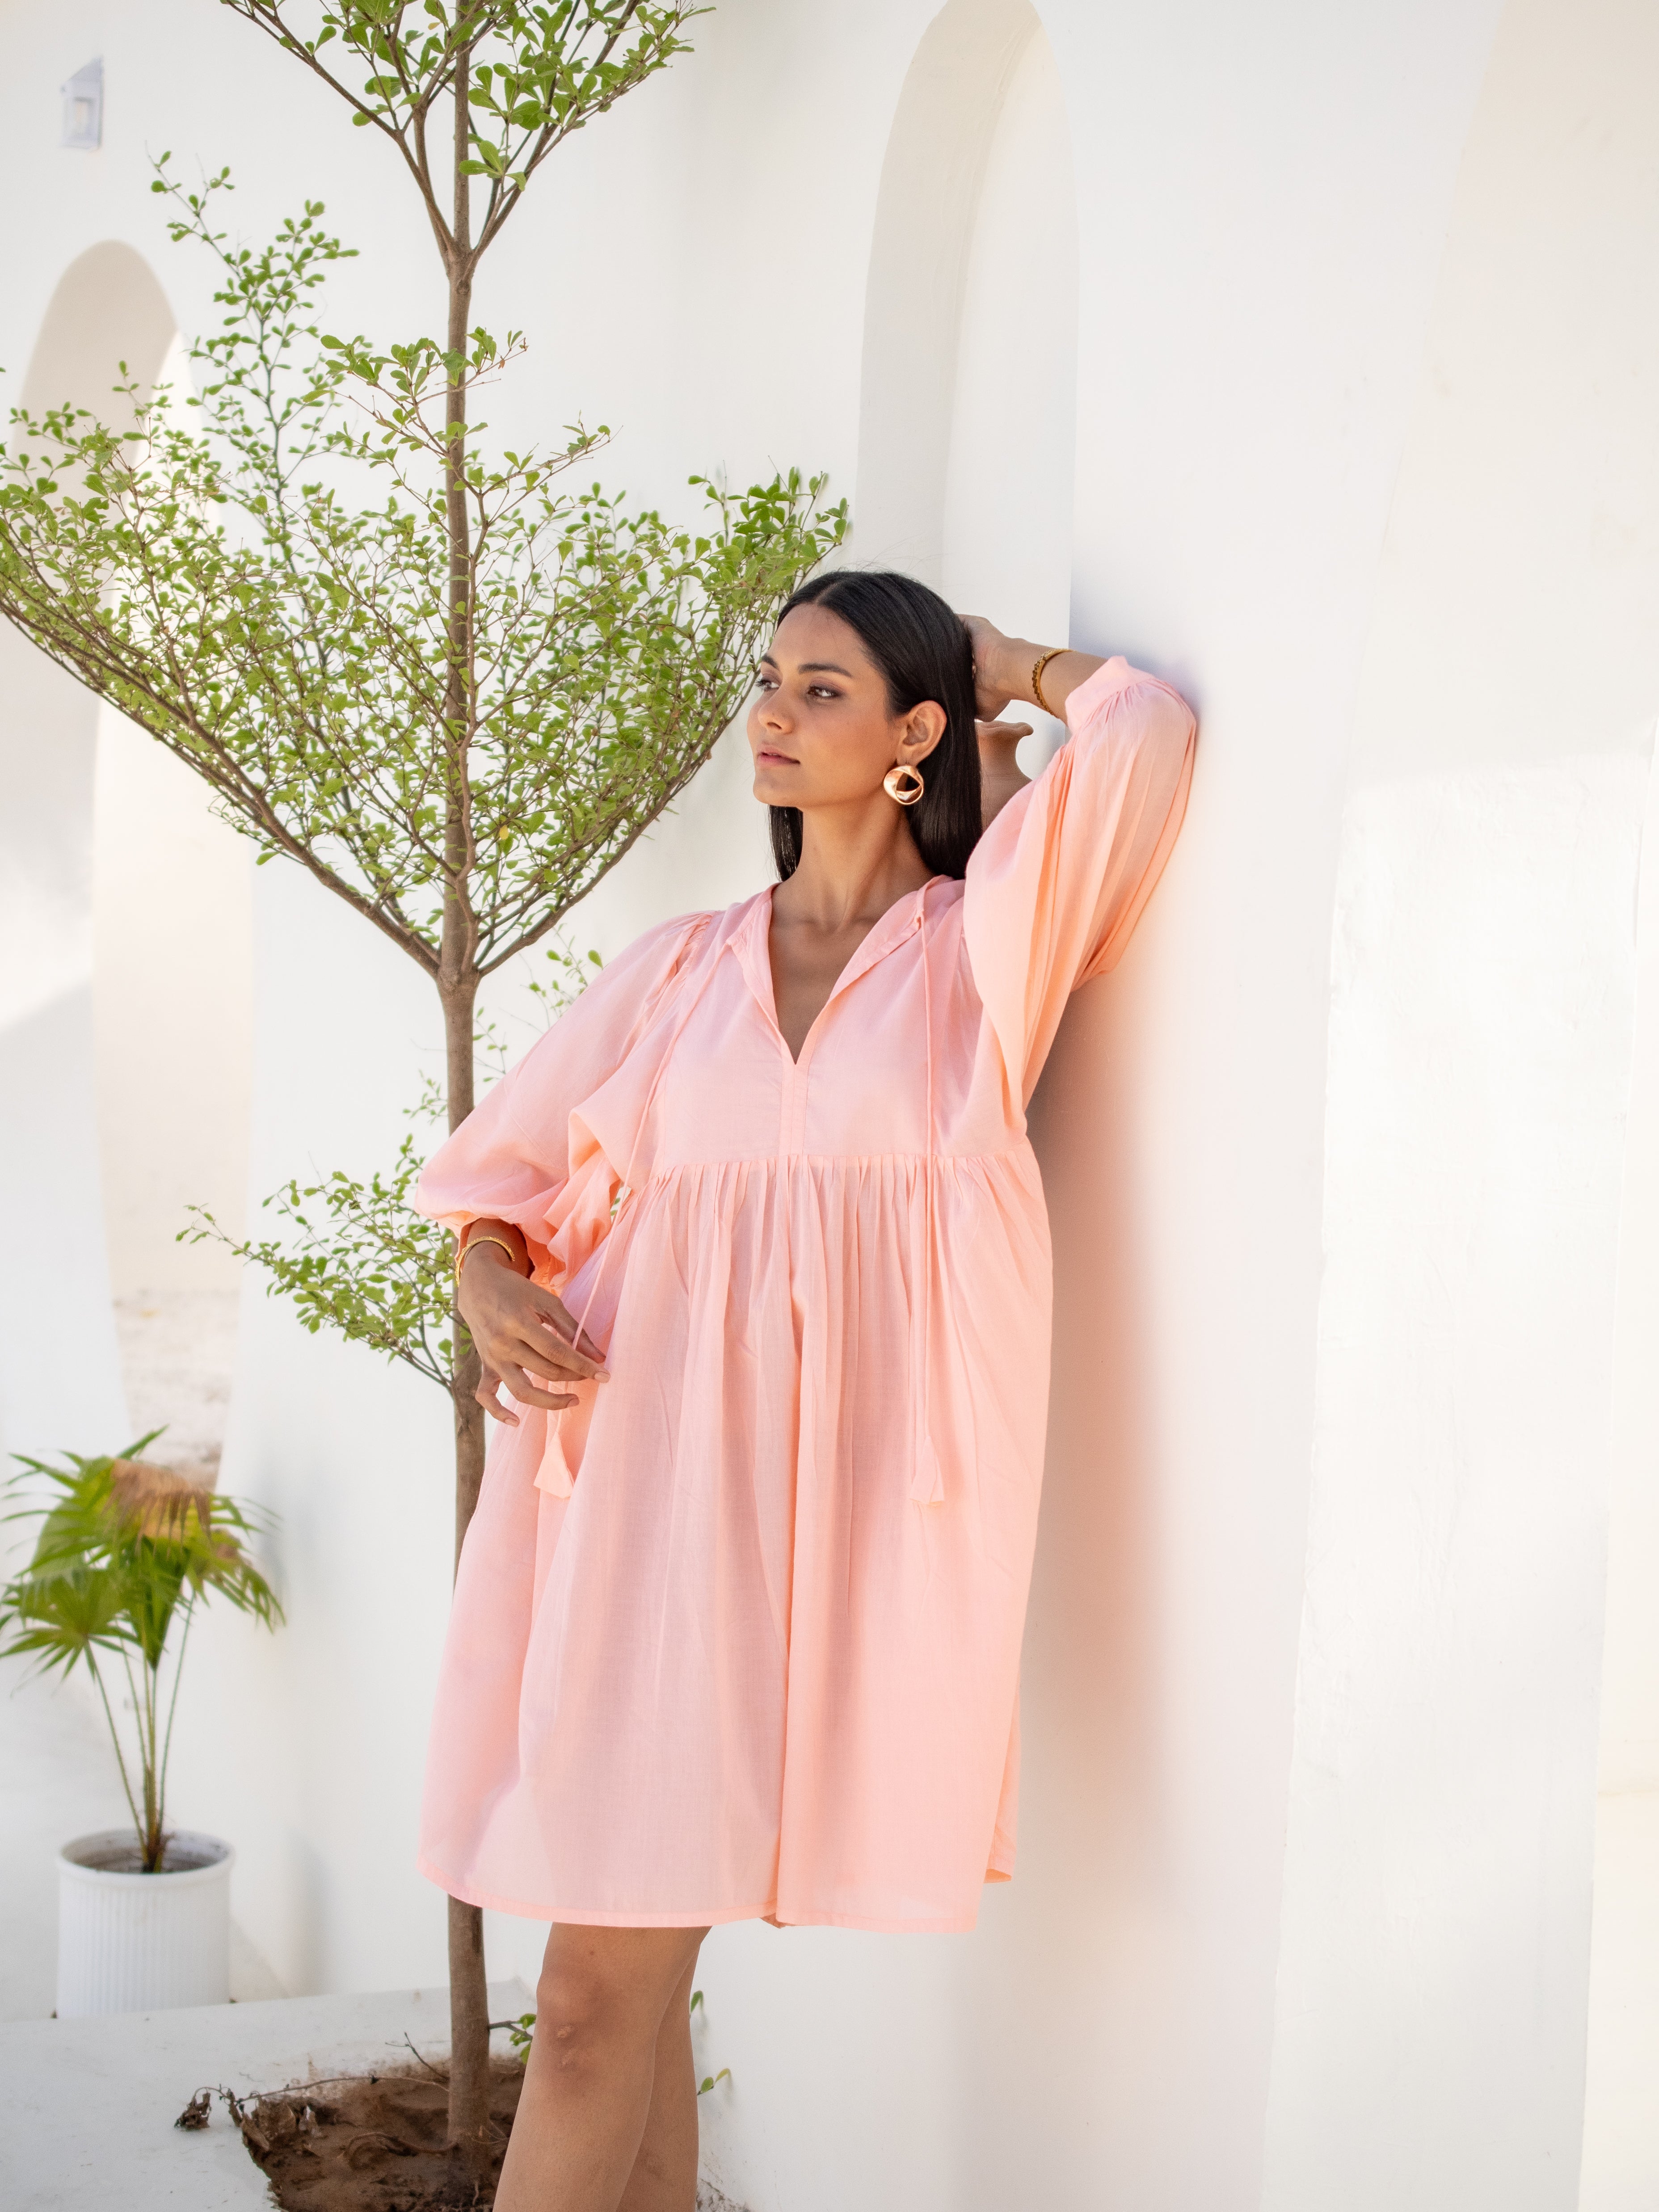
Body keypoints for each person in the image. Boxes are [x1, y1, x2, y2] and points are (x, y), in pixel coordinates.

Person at [415, 570, 1196, 2211]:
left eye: (823, 688)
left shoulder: (980, 952)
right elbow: (503, 1183)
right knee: (597, 2005)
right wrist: (488, 1280)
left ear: (917, 736)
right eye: (769, 680)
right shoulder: (680, 969)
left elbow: (1142, 736)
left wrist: (1003, 664)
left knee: (613, 2000)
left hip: (842, 1512)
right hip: (641, 1509)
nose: (771, 713)